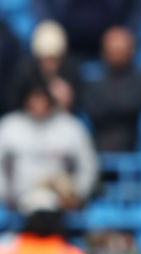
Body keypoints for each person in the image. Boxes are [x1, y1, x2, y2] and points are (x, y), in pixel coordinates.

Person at [0, 79, 98, 210]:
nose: (39, 104)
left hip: (60, 202)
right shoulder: (10, 126)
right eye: (34, 98)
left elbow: (88, 165)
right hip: (19, 200)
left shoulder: (70, 126)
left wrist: (78, 195)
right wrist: (6, 196)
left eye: (42, 98)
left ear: (50, 100)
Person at [81, 27, 141, 152]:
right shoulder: (94, 82)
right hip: (99, 146)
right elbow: (94, 111)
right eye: (112, 51)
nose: (116, 56)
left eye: (120, 51)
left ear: (130, 51)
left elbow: (135, 106)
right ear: (104, 52)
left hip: (132, 144)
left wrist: (110, 106)